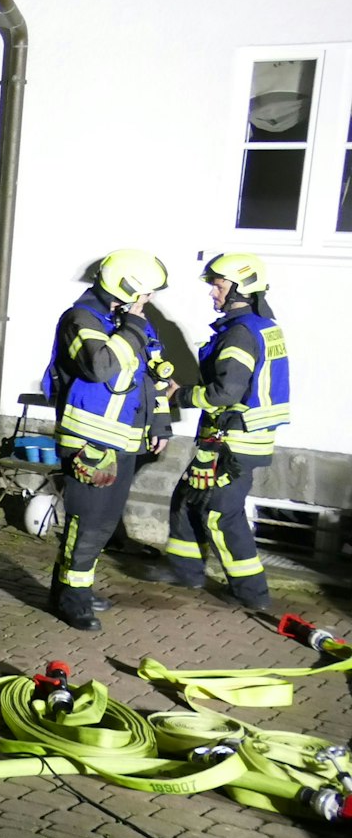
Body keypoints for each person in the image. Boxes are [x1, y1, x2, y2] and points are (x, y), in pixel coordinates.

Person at [41, 249, 174, 631]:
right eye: (146, 293)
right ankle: (71, 597)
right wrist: (132, 328)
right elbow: (99, 366)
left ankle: (74, 586)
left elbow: (154, 376)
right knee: (87, 523)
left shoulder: (132, 322)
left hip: (126, 440)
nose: (149, 301)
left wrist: (161, 424)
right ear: (129, 288)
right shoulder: (81, 319)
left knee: (104, 523)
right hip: (89, 441)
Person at [164, 253, 291, 611]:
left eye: (218, 286)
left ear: (240, 288)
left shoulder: (238, 334)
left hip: (232, 441)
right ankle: (185, 572)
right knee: (188, 496)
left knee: (222, 513)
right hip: (237, 436)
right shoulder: (260, 325)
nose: (213, 294)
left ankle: (252, 594)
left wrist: (181, 394)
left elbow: (225, 393)